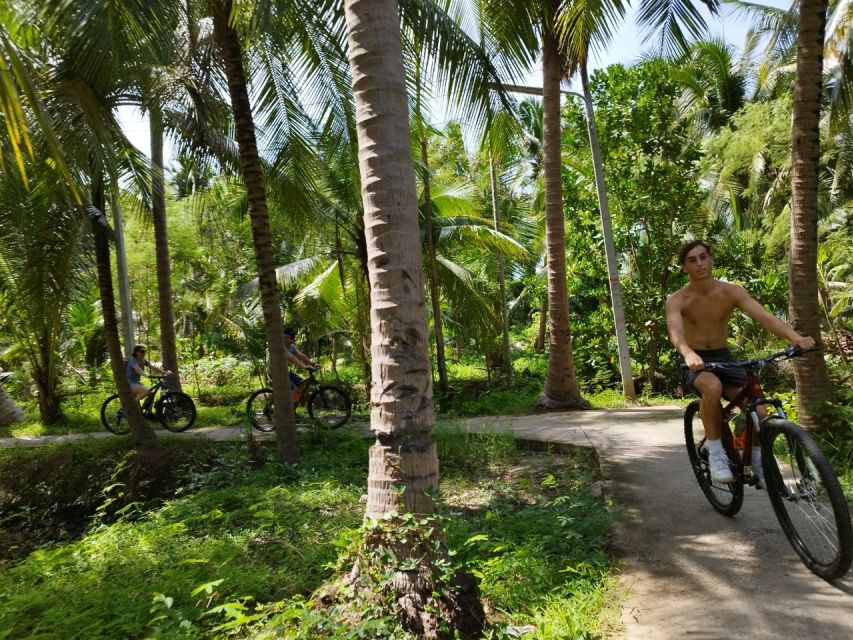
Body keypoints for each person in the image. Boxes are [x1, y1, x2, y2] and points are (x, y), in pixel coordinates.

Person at [665, 240, 815, 485]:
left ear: (711, 259)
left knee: (760, 411)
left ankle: (756, 458)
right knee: (712, 388)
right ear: (684, 268)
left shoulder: (731, 292)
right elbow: (676, 333)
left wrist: (796, 338)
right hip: (693, 359)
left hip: (724, 357)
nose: (700, 264)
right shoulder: (677, 299)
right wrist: (688, 353)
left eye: (704, 257)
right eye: (692, 260)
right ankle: (715, 453)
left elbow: (766, 318)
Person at [282, 326, 319, 393]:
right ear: (285, 337)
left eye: (293, 337)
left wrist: (313, 364)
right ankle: (291, 402)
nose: (294, 339)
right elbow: (291, 358)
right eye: (292, 337)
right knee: (294, 389)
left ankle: (297, 402)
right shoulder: (280, 346)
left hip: (285, 372)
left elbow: (302, 356)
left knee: (302, 383)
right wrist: (304, 367)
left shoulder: (291, 346)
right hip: (275, 374)